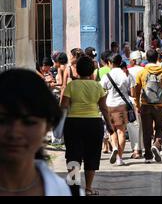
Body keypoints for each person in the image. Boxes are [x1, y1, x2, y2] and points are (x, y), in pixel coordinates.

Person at [0, 69, 72, 196]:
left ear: (47, 126)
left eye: (28, 122)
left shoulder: (66, 192)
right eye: (3, 120)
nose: (14, 133)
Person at [61, 56, 114, 196]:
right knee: (92, 155)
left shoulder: (71, 85)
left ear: (77, 71)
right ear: (92, 71)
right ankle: (89, 188)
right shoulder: (97, 86)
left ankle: (73, 189)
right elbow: (104, 108)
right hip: (93, 123)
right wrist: (109, 125)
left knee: (73, 155)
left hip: (73, 123)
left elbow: (63, 106)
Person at [134, 49, 162, 163]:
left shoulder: (142, 72)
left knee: (147, 131)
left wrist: (137, 105)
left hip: (145, 105)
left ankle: (148, 156)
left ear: (146, 58)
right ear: (157, 58)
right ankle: (157, 144)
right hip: (159, 106)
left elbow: (136, 91)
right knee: (160, 127)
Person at [100, 54, 132, 166]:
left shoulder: (106, 76)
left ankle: (113, 147)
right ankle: (119, 158)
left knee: (111, 130)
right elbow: (129, 90)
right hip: (122, 106)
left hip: (109, 105)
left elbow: (101, 89)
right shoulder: (124, 75)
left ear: (109, 63)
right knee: (121, 131)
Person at [128, 51, 144, 159]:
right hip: (145, 101)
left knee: (133, 126)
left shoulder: (129, 71)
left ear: (133, 60)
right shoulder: (145, 70)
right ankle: (141, 149)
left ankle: (136, 150)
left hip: (132, 101)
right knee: (142, 126)